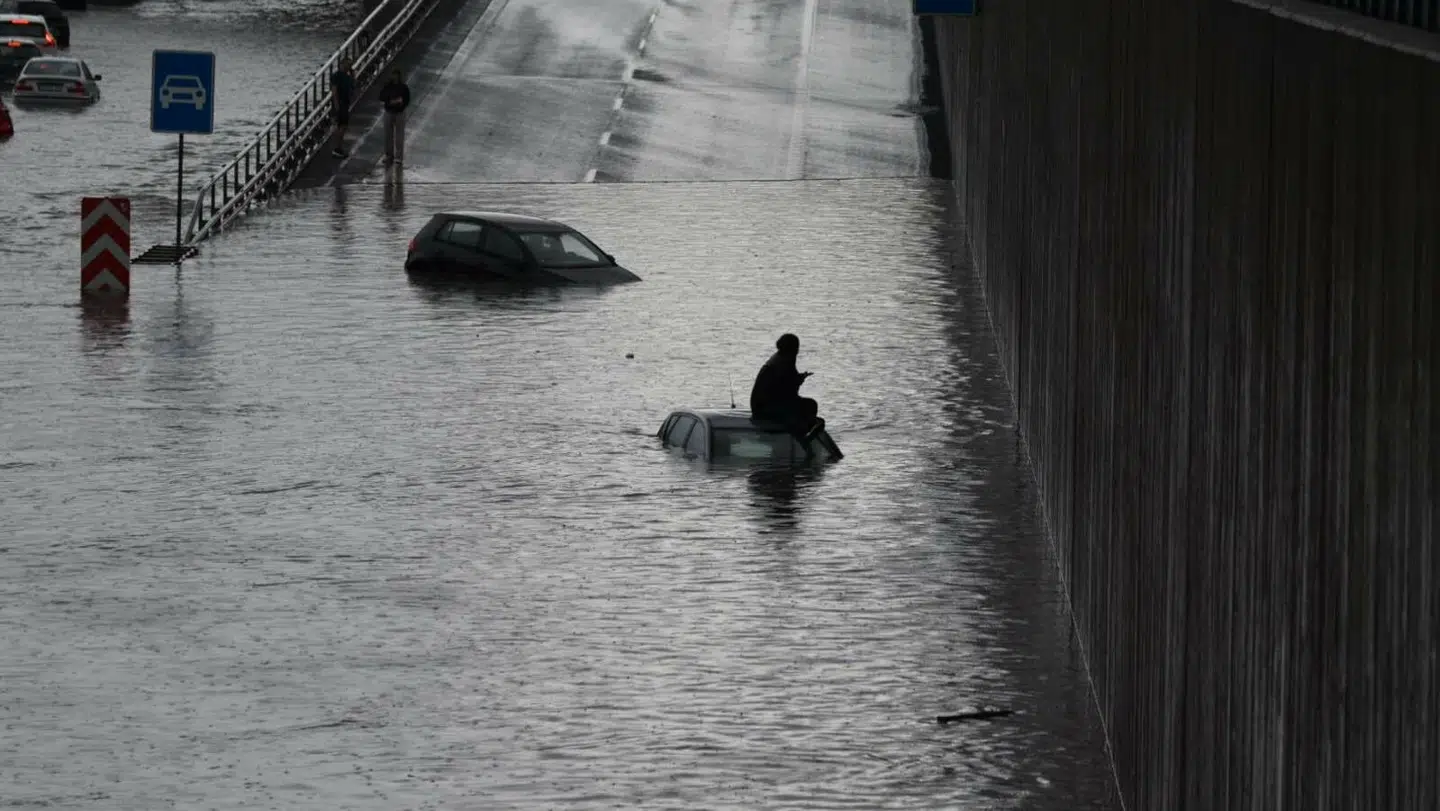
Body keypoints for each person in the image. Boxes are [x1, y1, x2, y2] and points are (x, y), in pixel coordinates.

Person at [749, 333, 824, 438]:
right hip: (766, 407)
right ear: (792, 348)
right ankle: (801, 436)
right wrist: (798, 380)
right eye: (796, 348)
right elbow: (786, 389)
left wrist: (798, 379)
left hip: (765, 404)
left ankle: (801, 433)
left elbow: (785, 385)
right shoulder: (783, 362)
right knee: (810, 405)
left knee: (807, 407)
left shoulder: (779, 358)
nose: (797, 351)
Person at [380, 69, 410, 166]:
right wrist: (390, 100)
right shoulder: (387, 86)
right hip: (389, 111)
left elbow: (407, 99)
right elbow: (381, 96)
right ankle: (389, 155)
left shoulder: (403, 87)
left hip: (399, 112)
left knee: (399, 136)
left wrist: (400, 103)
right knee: (388, 135)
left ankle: (398, 156)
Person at [330, 58, 356, 159]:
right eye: (347, 64)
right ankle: (337, 147)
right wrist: (336, 104)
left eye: (350, 65)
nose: (349, 67)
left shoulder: (348, 77)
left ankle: (338, 147)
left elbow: (353, 86)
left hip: (345, 104)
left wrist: (353, 75)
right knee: (341, 125)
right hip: (340, 104)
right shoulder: (336, 76)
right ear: (342, 64)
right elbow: (334, 90)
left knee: (343, 126)